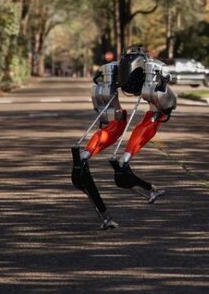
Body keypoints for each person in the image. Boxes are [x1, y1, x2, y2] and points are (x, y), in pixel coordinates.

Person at [71, 45, 177, 229]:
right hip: (150, 94)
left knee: (115, 122)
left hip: (111, 92)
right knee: (155, 116)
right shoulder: (153, 67)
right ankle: (124, 161)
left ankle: (86, 156)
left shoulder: (112, 68)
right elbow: (165, 99)